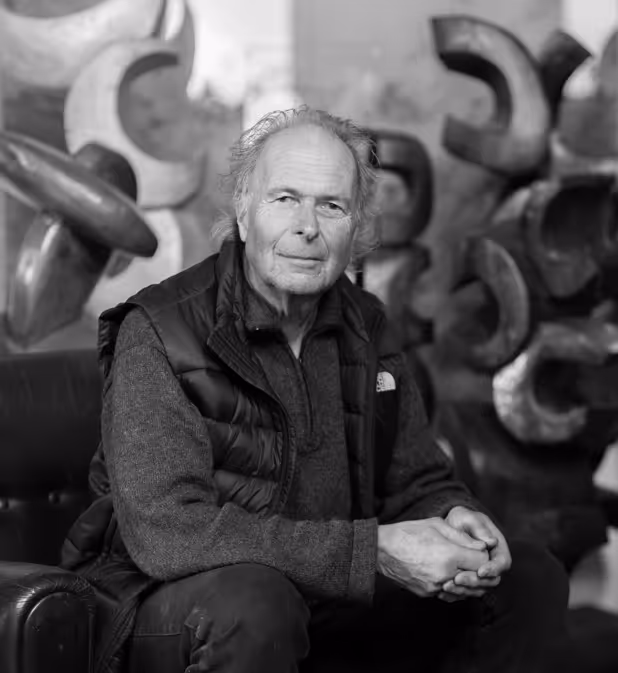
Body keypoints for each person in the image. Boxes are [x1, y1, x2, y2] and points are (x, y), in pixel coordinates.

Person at [62, 106, 573, 673]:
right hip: (165, 605)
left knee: (527, 578)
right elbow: (170, 535)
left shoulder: (366, 324)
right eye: (285, 198)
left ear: (356, 228)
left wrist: (455, 515)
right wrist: (372, 552)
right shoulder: (158, 330)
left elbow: (415, 477)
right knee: (258, 603)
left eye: (332, 205)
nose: (307, 225)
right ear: (243, 210)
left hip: (324, 593)